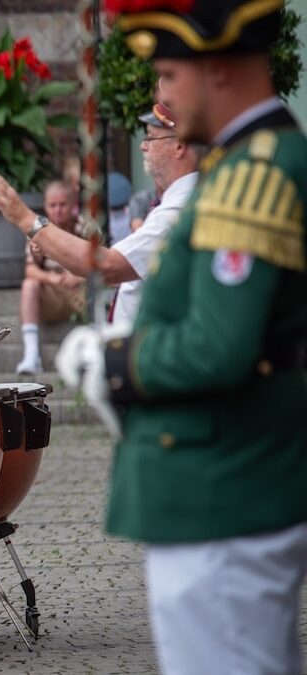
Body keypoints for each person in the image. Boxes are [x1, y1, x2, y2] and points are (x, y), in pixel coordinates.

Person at [63, 2, 307, 673]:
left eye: (170, 74)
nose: (161, 99)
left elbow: (218, 347)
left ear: (220, 68)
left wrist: (114, 358)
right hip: (226, 475)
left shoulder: (250, 175)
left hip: (222, 484)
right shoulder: (244, 165)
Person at [0, 102, 204, 328]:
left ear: (179, 146)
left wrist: (26, 219)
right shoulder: (180, 200)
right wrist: (48, 241)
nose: (142, 147)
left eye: (150, 138)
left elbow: (108, 266)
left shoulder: (180, 207)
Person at [12, 180, 88, 375]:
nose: (58, 210)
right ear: (45, 206)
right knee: (29, 285)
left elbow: (101, 264)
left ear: (72, 205)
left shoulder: (85, 227)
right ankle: (31, 354)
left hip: (79, 291)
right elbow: (30, 270)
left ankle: (91, 353)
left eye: (63, 204)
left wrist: (78, 276)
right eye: (52, 205)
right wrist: (50, 278)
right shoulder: (38, 227)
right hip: (52, 291)